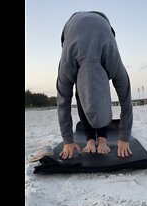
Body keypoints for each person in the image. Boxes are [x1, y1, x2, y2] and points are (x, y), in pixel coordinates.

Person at [56, 11, 133, 160]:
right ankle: (91, 139)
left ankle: (102, 138)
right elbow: (62, 102)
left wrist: (124, 137)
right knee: (82, 95)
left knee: (98, 95)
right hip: (70, 28)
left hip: (104, 24)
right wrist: (67, 140)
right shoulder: (67, 66)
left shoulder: (113, 63)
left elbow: (126, 98)